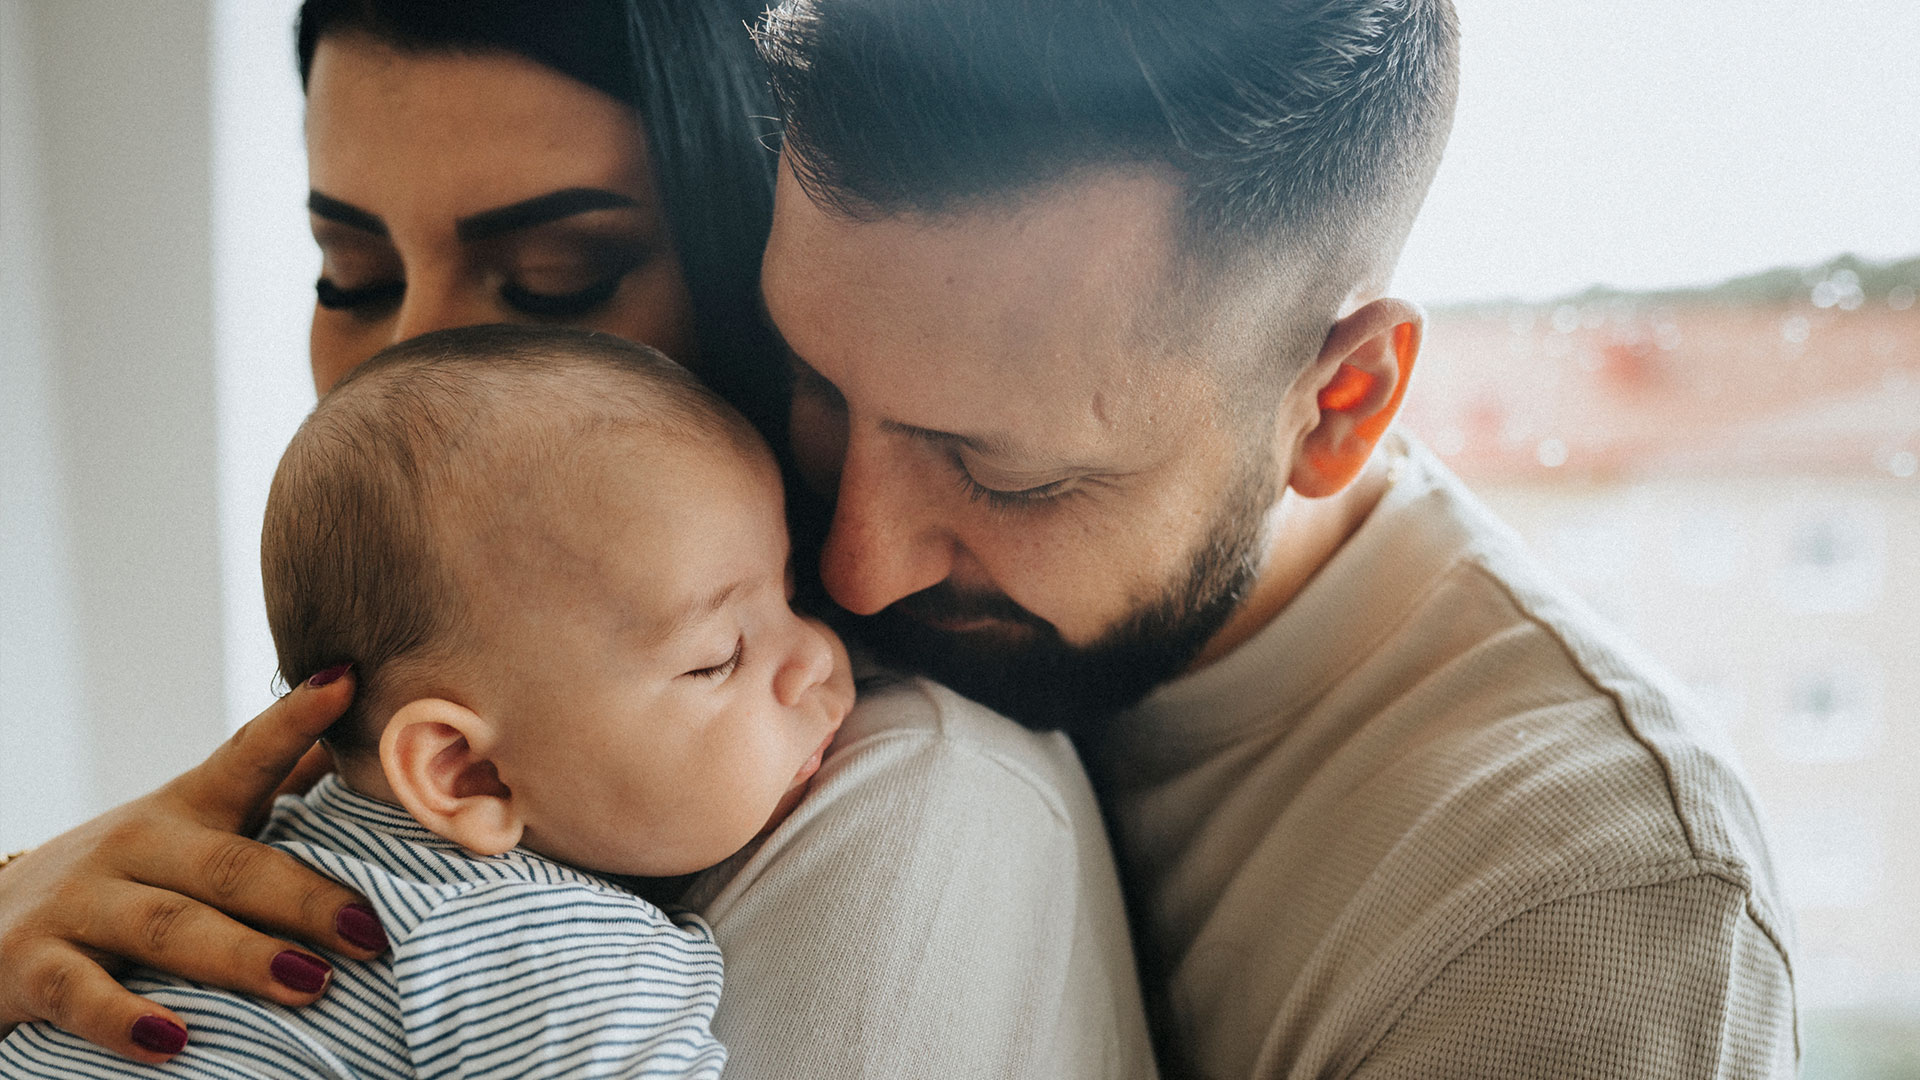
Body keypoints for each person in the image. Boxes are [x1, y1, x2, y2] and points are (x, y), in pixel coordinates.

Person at [0, 3, 1152, 1077]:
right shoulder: (338, 804)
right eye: (353, 277)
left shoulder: (904, 807)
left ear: (765, 274)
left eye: (559, 280)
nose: (413, 360)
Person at [750, 0, 1798, 1075]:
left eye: (1009, 477)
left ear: (1341, 402)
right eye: (817, 386)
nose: (851, 569)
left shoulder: (1579, 910)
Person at [8, 327, 833, 1076]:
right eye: (720, 658)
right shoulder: (566, 954)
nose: (818, 657)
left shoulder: (289, 845)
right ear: (467, 772)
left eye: (791, 591)